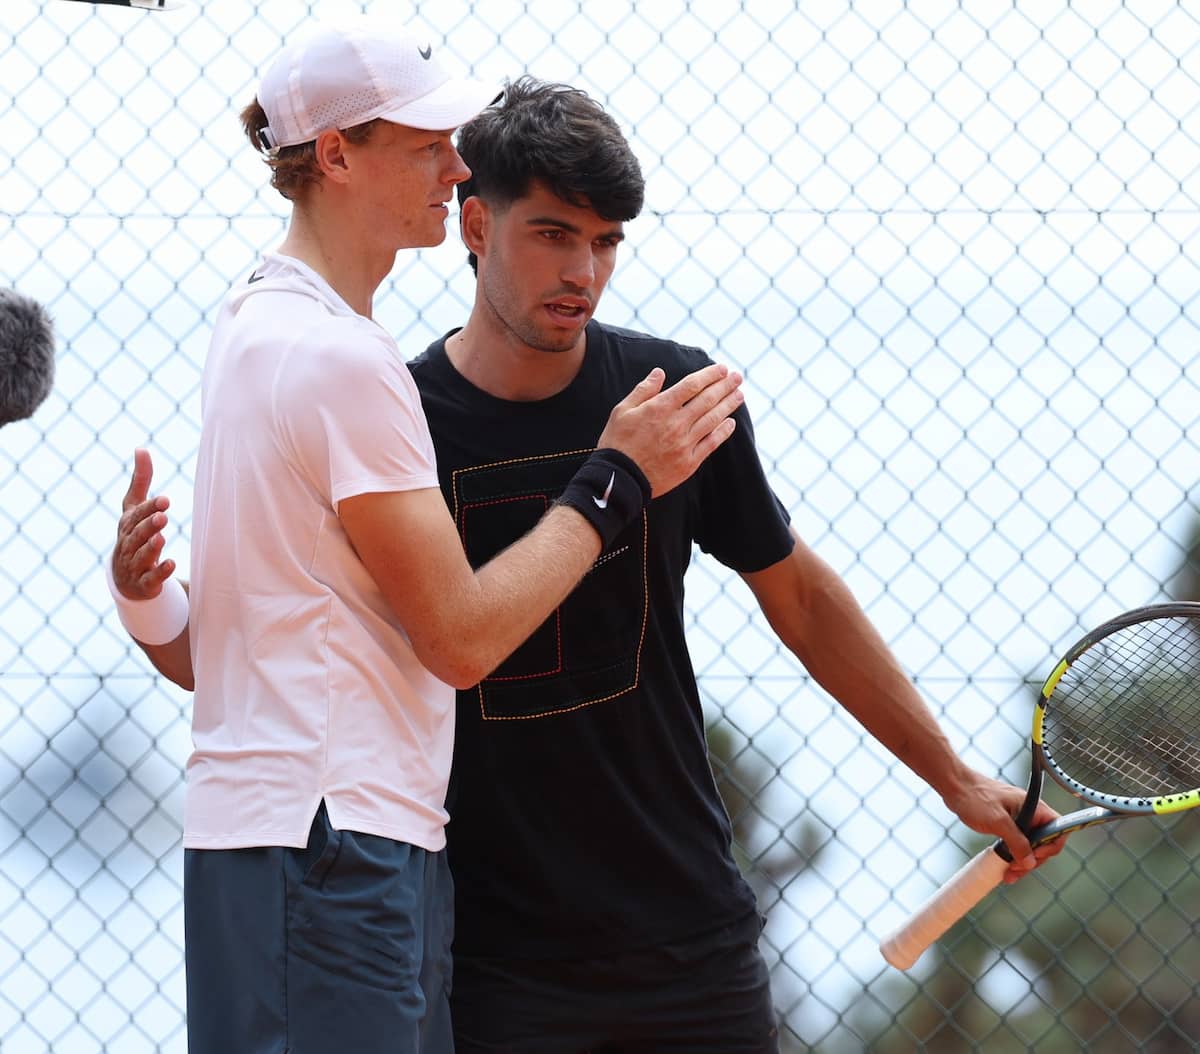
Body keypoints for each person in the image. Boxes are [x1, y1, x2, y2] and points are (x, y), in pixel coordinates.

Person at [114, 76, 1064, 1052]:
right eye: (555, 234)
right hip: (485, 958)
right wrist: (151, 605)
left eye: (606, 240)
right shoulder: (392, 416)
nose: (585, 270)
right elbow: (275, 645)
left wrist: (952, 776)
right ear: (476, 224)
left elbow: (806, 603)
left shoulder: (676, 397)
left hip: (690, 943)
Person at [105, 27, 744, 1054]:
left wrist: (143, 600)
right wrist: (618, 475)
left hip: (307, 840)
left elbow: (222, 651)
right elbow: (458, 639)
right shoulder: (345, 360)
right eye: (426, 143)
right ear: (338, 157)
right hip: (331, 848)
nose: (456, 164)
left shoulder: (253, 325)